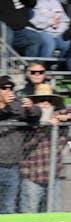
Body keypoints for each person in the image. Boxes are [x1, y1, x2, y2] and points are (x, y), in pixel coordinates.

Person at [18, 85, 71, 213]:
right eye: (41, 100)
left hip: (53, 175)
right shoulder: (27, 120)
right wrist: (46, 125)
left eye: (49, 100)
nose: (46, 103)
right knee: (29, 213)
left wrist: (64, 117)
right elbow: (27, 144)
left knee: (52, 213)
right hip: (32, 175)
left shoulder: (57, 115)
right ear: (35, 103)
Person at [0, 75, 41, 214]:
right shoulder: (10, 109)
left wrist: (30, 108)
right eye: (4, 88)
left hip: (12, 165)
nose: (8, 91)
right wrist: (6, 109)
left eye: (11, 88)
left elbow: (36, 115)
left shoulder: (16, 106)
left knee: (8, 207)